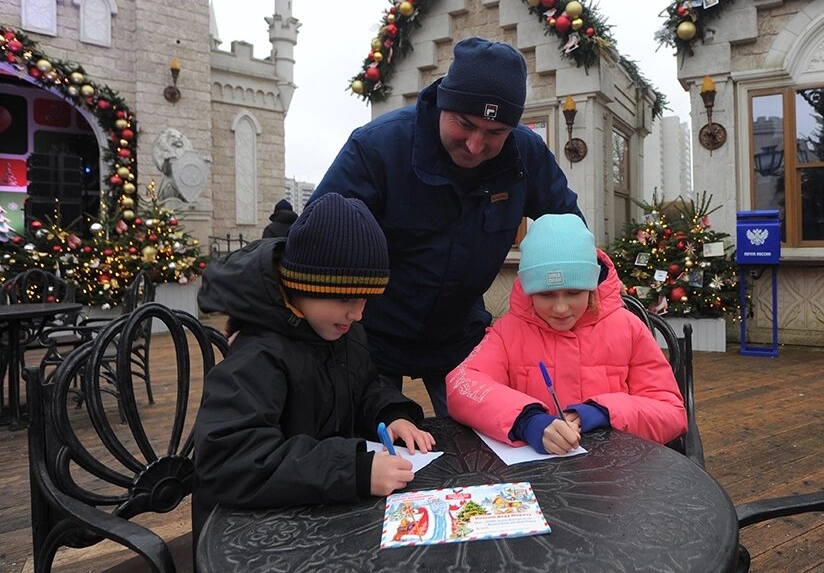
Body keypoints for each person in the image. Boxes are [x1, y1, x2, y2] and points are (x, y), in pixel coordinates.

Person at [311, 37, 581, 417]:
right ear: (443, 103)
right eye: (465, 124)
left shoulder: (526, 154)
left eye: (495, 133)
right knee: (371, 436)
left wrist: (599, 302)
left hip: (459, 336)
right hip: (368, 336)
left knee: (481, 437)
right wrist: (263, 313)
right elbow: (311, 239)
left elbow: (570, 229)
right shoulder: (377, 147)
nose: (475, 145)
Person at [192, 192, 435, 537]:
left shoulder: (342, 332)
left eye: (366, 299)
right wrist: (353, 471)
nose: (358, 313)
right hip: (251, 534)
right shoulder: (258, 354)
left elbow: (365, 386)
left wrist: (391, 414)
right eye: (345, 298)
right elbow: (230, 458)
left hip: (319, 515)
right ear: (302, 285)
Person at [445, 214, 687, 454]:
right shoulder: (508, 331)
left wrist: (604, 412)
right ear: (529, 291)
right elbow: (462, 386)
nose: (560, 308)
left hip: (616, 469)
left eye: (573, 292)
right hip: (538, 473)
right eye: (546, 294)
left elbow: (671, 413)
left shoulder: (629, 329)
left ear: (591, 287)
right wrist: (526, 420)